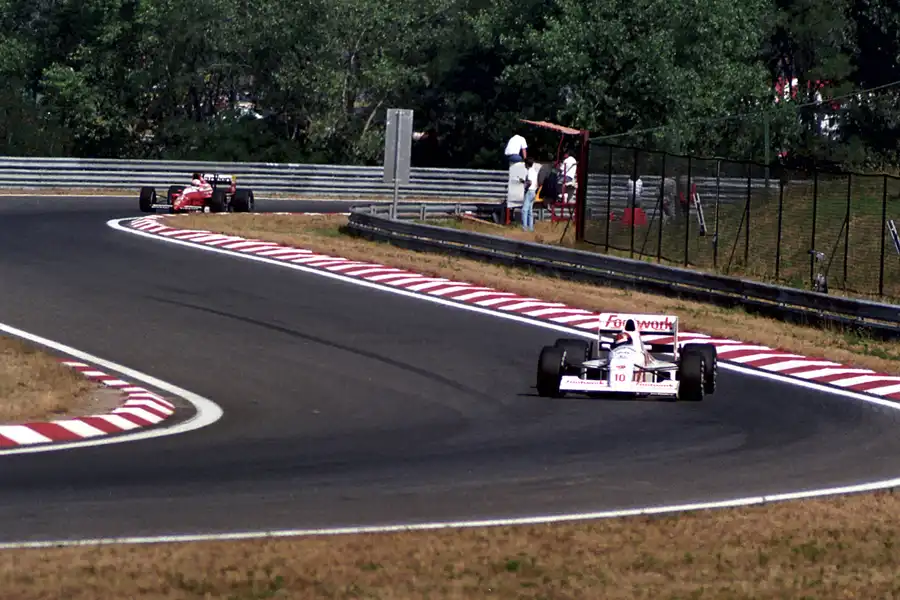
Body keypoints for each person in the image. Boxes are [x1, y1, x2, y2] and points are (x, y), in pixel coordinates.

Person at [521, 157, 538, 232]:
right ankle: (531, 228)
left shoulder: (530, 171)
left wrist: (525, 186)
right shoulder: (534, 171)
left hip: (529, 191)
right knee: (530, 211)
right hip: (534, 191)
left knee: (524, 210)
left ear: (527, 164)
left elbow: (530, 182)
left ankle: (524, 228)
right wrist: (524, 181)